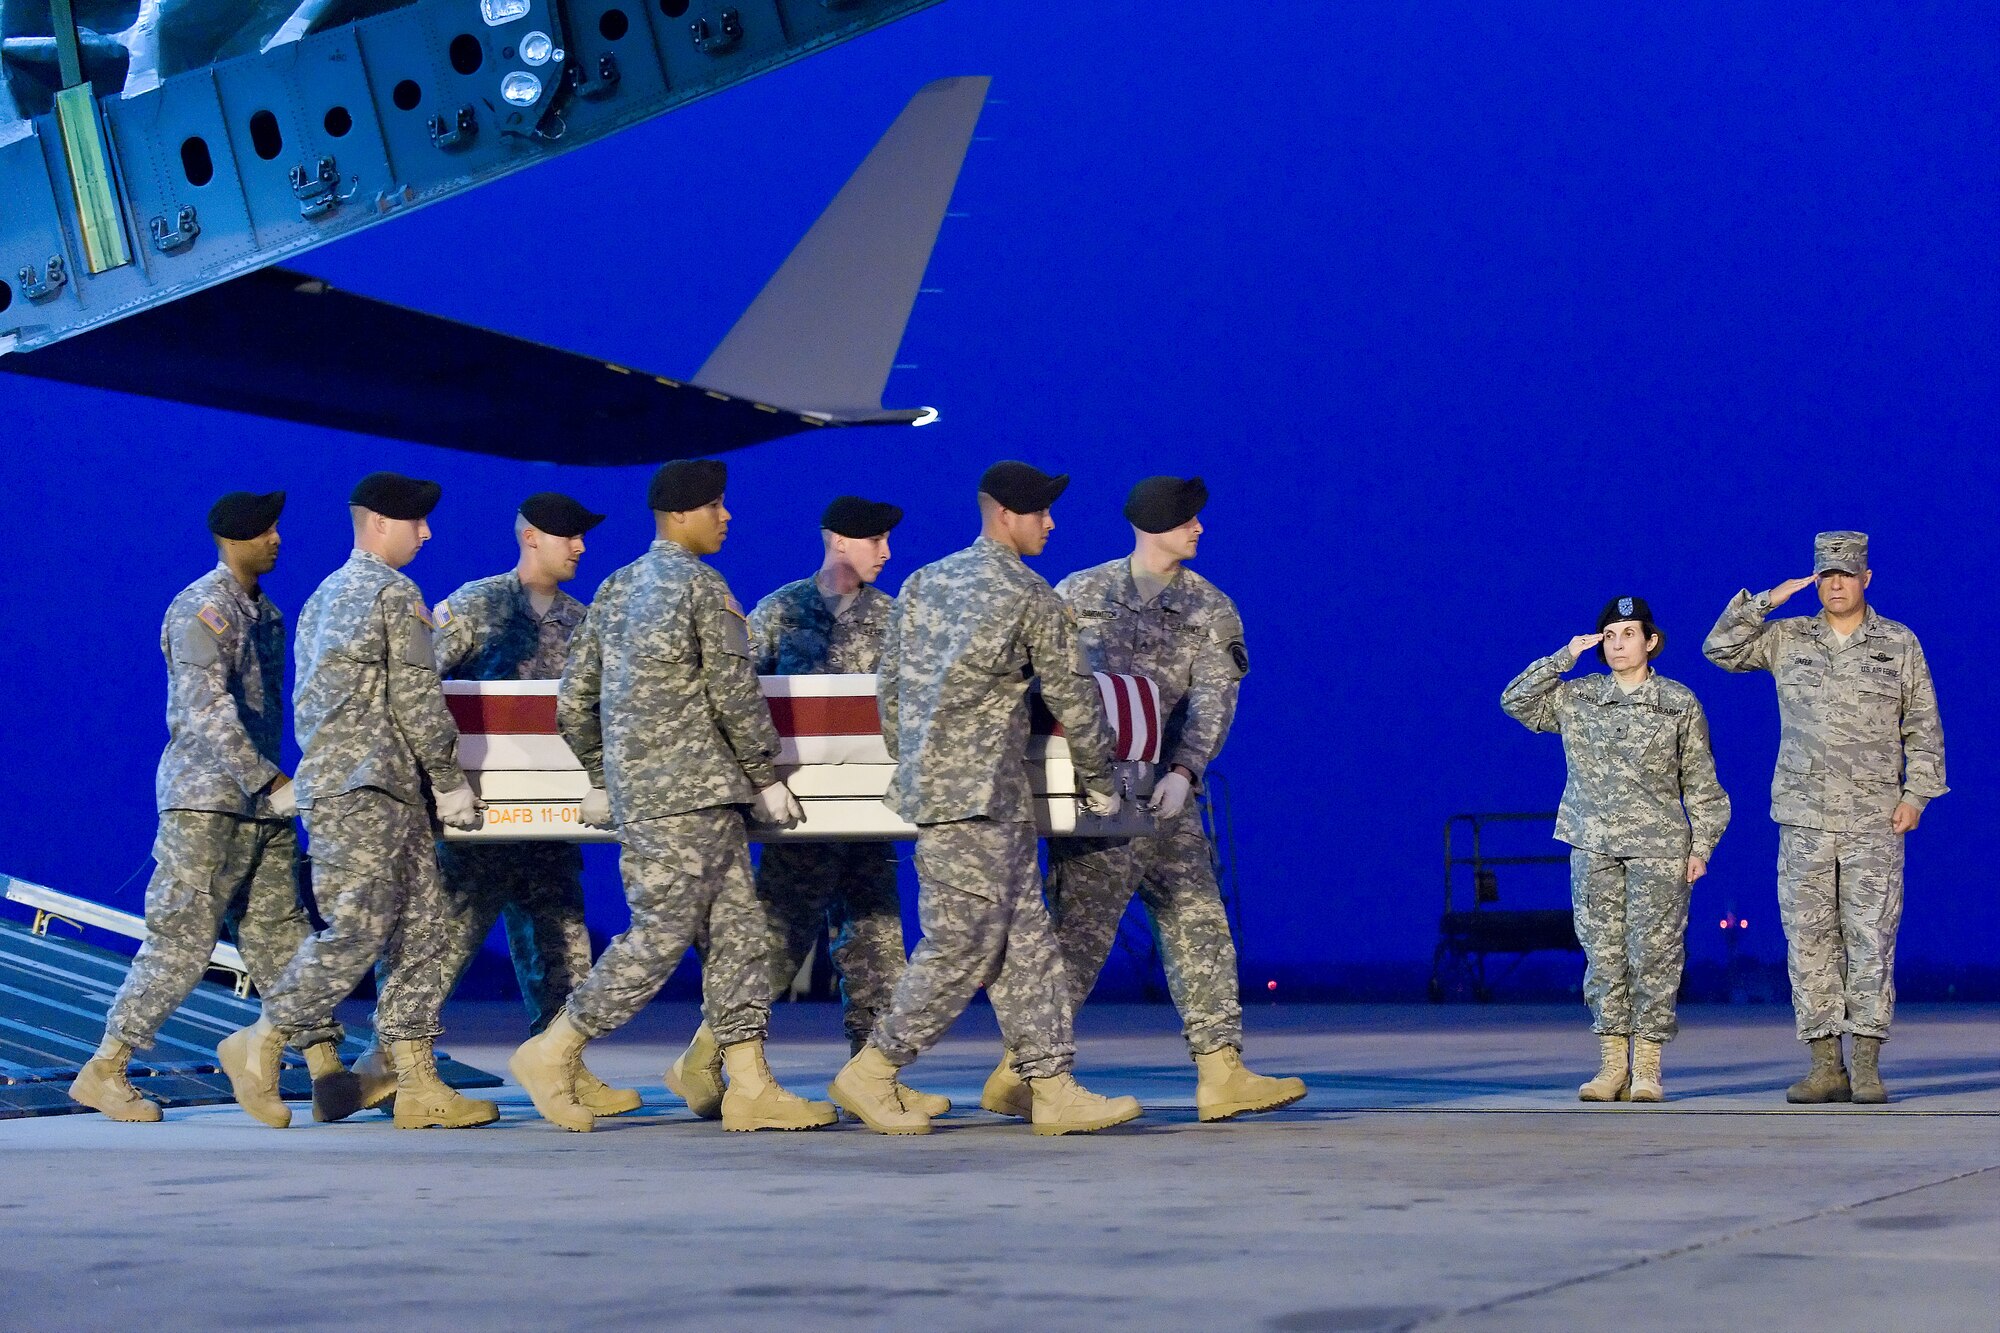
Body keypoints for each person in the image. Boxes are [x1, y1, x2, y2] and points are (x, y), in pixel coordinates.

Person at [509, 459, 833, 1133]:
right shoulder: (700, 586)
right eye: (716, 505)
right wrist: (765, 774)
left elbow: (574, 702)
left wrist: (607, 776)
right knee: (659, 936)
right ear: (682, 514)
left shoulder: (616, 589)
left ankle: (749, 1084)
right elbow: (734, 691)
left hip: (661, 798)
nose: (727, 516)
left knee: (740, 938)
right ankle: (554, 1049)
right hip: (694, 796)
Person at [828, 461, 1141, 1136]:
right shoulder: (1029, 593)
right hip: (981, 796)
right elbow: (1073, 695)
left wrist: (920, 760)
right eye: (1041, 513)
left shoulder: (922, 584)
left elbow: (889, 694)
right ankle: (873, 1069)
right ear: (1007, 515)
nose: (1051, 523)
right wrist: (1100, 782)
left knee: (1027, 941)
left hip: (946, 793)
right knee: (960, 947)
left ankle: (1052, 1083)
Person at [1010, 475, 1306, 1123]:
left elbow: (1213, 699)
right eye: (1187, 519)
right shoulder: (1078, 593)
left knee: (1198, 918)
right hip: (1095, 795)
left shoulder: (1211, 607)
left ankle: (1221, 1070)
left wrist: (1186, 770)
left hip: (1165, 796)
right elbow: (1041, 681)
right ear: (1153, 524)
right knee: (1079, 934)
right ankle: (1021, 1068)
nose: (1199, 528)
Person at [69, 492, 359, 1123]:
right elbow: (202, 712)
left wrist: (279, 787)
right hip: (207, 804)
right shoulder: (202, 609)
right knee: (182, 942)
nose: (277, 538)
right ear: (232, 540)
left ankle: (322, 1067)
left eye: (278, 527)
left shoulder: (269, 616)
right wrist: (267, 779)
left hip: (263, 807)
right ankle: (105, 1069)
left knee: (284, 937)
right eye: (264, 531)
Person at [216, 472, 494, 1130]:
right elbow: (418, 699)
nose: (426, 533)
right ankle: (260, 1038)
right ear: (377, 523)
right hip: (366, 788)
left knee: (424, 932)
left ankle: (418, 1080)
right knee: (361, 929)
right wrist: (450, 780)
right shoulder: (395, 593)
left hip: (363, 788)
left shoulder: (321, 597)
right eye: (415, 522)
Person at [663, 495, 947, 1121]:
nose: (888, 553)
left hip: (871, 812)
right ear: (840, 542)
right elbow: (735, 694)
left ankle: (878, 1077)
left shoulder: (894, 617)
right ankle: (703, 1057)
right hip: (803, 816)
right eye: (876, 542)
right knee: (778, 942)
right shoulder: (779, 613)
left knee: (877, 946)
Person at [393, 492, 640, 1119]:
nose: (580, 548)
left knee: (564, 943)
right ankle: (398, 1064)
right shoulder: (477, 605)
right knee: (444, 944)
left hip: (550, 820)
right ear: (530, 536)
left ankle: (564, 1067)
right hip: (479, 819)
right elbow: (419, 680)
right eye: (568, 537)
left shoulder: (582, 622)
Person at [1704, 532, 1945, 1104]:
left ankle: (1865, 1063)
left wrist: (1918, 795)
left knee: (1871, 936)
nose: (1836, 583)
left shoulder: (1897, 643)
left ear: (1867, 578)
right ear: (1816, 579)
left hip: (1874, 819)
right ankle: (1824, 1065)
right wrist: (1766, 600)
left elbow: (1924, 725)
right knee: (1809, 939)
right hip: (1804, 815)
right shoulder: (1788, 638)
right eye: (1826, 574)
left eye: (1846, 573)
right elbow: (1720, 649)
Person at [1502, 596, 1730, 1102]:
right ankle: (1611, 1065)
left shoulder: (1677, 702)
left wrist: (1703, 845)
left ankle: (1647, 1067)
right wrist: (1564, 656)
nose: (1617, 643)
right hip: (1593, 843)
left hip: (1660, 848)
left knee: (1655, 955)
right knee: (1602, 956)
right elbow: (1515, 701)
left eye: (1629, 633)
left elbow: (1702, 783)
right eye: (1609, 634)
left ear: (1651, 642)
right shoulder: (1578, 696)